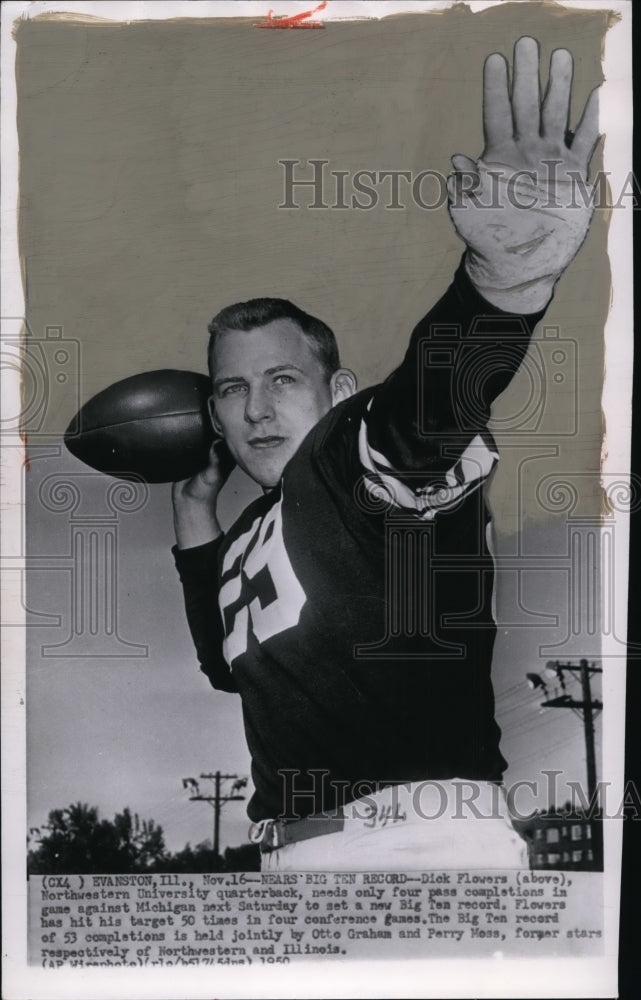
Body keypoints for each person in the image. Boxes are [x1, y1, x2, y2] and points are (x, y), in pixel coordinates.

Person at [172, 38, 599, 870]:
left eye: (283, 379)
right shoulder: (260, 528)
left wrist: (501, 284)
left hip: (414, 844)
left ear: (338, 394)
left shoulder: (351, 456)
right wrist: (194, 519)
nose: (255, 407)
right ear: (211, 413)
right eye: (230, 389)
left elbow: (423, 411)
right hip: (295, 858)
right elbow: (234, 670)